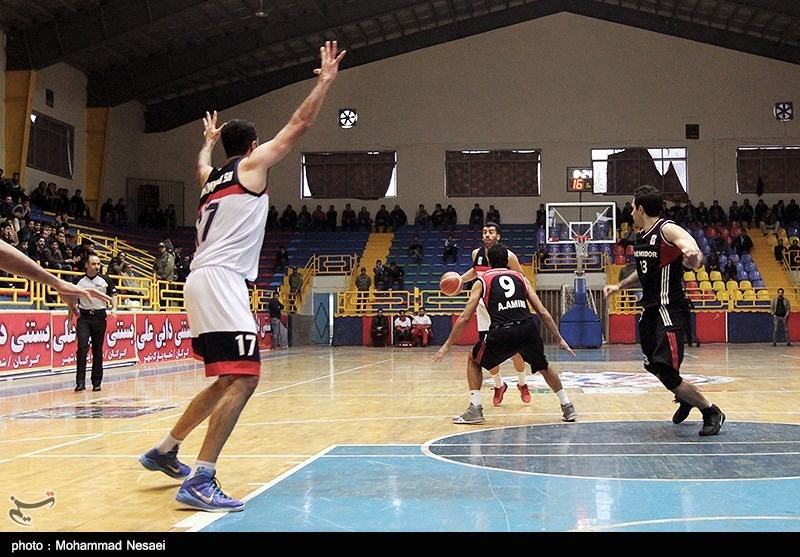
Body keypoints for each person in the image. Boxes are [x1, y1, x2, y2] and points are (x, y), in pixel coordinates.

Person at [138, 41, 346, 513]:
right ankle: (201, 479)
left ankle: (166, 450)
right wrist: (325, 81)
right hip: (223, 279)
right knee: (246, 378)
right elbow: (299, 125)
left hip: (201, 278)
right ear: (252, 148)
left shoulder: (212, 177)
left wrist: (207, 142)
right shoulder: (251, 168)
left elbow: (199, 166)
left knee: (225, 378)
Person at [603, 185, 725, 436]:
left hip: (669, 309)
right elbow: (645, 271)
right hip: (649, 311)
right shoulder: (642, 237)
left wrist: (693, 255)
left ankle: (710, 410)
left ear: (640, 208)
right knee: (654, 366)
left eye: (632, 206)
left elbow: (689, 247)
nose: (630, 211)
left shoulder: (665, 228)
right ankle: (685, 397)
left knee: (667, 371)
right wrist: (620, 285)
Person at [433, 243, 577, 425]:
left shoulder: (482, 280)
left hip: (502, 331)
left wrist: (447, 345)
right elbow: (542, 312)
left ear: (489, 261)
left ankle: (475, 408)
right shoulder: (521, 278)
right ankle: (567, 405)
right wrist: (560, 338)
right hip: (527, 329)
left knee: (473, 359)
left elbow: (464, 317)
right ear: (507, 260)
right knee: (544, 366)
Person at [459, 222, 529, 406]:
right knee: (487, 353)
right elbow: (476, 272)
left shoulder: (509, 256)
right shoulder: (477, 254)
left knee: (517, 351)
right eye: (484, 232)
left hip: (505, 308)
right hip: (484, 309)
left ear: (498, 236)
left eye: (491, 232)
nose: (487, 235)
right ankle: (499, 385)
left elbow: (521, 278)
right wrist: (459, 280)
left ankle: (522, 383)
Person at [69, 254, 118, 392]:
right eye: (93, 264)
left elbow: (114, 295)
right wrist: (69, 319)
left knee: (97, 349)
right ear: (86, 265)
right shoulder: (78, 280)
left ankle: (96, 382)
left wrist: (114, 308)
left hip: (99, 316)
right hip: (84, 317)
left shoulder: (105, 280)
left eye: (98, 264)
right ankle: (80, 382)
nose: (97, 266)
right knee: (82, 347)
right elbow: (72, 300)